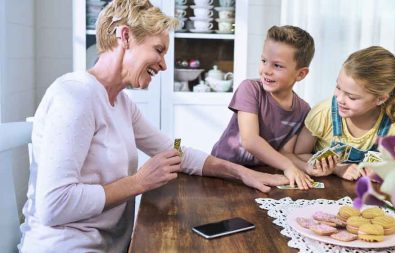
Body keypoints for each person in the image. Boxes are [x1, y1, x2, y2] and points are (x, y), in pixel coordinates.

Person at [18, 1, 289, 252]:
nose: (163, 64)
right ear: (125, 37)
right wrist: (139, 182)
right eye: (158, 50)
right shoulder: (75, 96)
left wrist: (241, 173)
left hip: (113, 245)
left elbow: (176, 153)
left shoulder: (121, 103)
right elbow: (55, 205)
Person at [211, 25, 315, 189]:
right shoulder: (250, 89)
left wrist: (306, 168)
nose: (266, 70)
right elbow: (250, 140)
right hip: (224, 173)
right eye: (264, 61)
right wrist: (289, 167)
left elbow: (285, 153)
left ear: (300, 74)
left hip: (262, 175)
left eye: (277, 66)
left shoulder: (303, 110)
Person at [291, 46, 395, 180]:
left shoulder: (393, 127)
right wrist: (337, 169)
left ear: (380, 99)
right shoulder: (323, 113)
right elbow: (298, 154)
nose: (339, 99)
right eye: (338, 87)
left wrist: (381, 170)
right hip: (325, 187)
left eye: (351, 97)